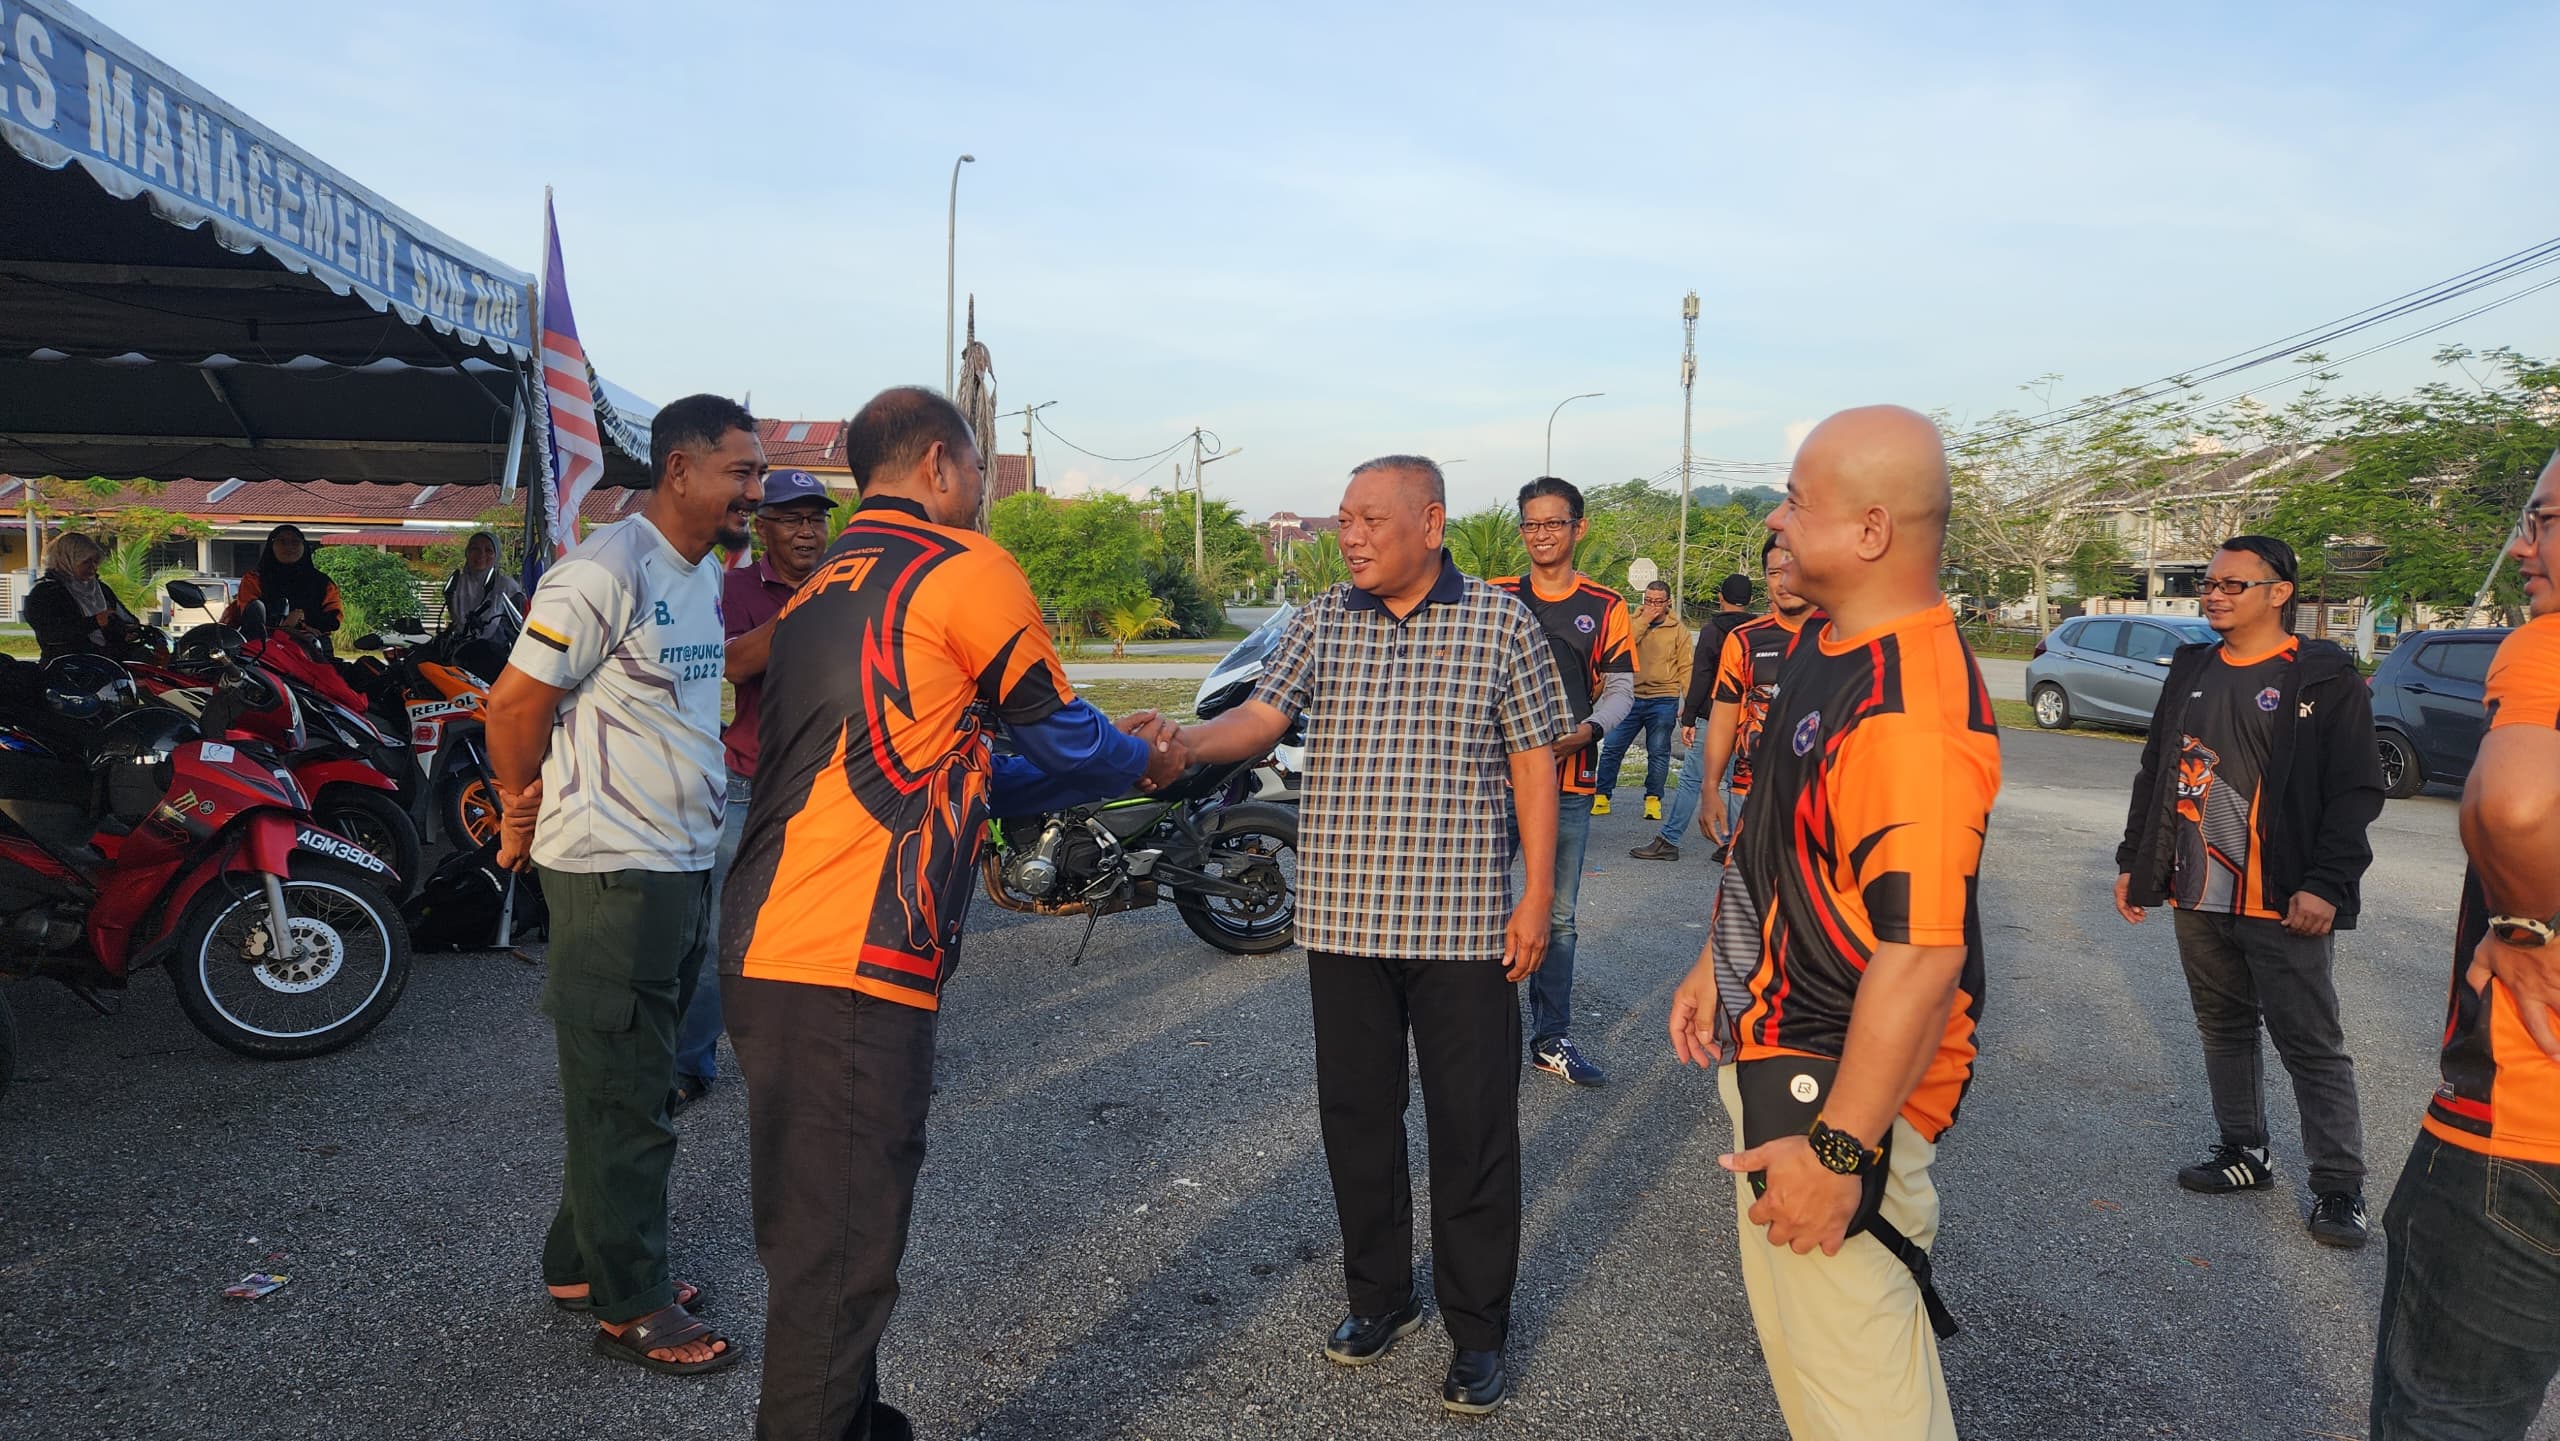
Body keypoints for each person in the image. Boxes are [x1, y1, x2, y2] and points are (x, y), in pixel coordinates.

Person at [720, 388, 1179, 1441]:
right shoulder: (960, 566)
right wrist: (1144, 755)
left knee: (828, 1234)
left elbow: (957, 769)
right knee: (837, 1259)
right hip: (847, 950)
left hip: (769, 944)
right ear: (937, 463)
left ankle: (861, 1423)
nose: (981, 491)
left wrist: (1112, 756)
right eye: (977, 470)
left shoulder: (824, 585)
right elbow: (1061, 739)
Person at [1143, 454, 1571, 1416]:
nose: (1351, 536)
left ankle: (1477, 1330)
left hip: (1465, 924)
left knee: (1473, 1131)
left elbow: (1533, 762)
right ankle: (1381, 1298)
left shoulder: (1500, 621)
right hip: (1344, 919)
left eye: (1370, 519)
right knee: (1358, 1120)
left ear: (1431, 522)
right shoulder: (1322, 619)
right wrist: (1179, 743)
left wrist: (1537, 895)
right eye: (1343, 519)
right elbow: (1259, 719)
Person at [1667, 406, 1999, 1441]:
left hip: (1836, 1083)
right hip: (1780, 1043)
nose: (1776, 519)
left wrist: (1842, 1151)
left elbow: (1922, 953)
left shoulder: (1908, 716)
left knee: (1865, 1404)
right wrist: (1716, 959)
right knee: (1812, 1373)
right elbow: (1778, 833)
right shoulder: (1824, 641)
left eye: (1796, 501)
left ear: (1869, 529)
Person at [483, 393, 766, 1376]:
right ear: (679, 468)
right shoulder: (606, 570)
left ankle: (580, 1264)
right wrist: (517, 804)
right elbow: (514, 704)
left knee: (629, 1080)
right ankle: (631, 1297)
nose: (756, 491)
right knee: (626, 1093)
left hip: (677, 861)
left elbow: (699, 676)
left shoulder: (703, 571)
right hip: (611, 868)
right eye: (741, 472)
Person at [2112, 535, 2382, 1248]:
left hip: (2284, 899)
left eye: (2233, 583)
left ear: (2278, 592)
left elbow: (2356, 790)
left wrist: (2326, 884)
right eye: (2209, 583)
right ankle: (2244, 1150)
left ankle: (2339, 1186)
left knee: (2311, 1043)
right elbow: (2157, 770)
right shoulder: (2193, 667)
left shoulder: (2321, 676)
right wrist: (2136, 861)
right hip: (2199, 892)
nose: (2214, 594)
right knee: (2223, 1027)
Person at [2369, 466, 2560, 1439]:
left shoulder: (2548, 646)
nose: (2522, 545)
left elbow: (2511, 804)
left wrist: (2523, 922)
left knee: (2447, 1418)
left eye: (2544, 521)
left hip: (2525, 1130)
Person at [667, 469, 834, 1114]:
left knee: (825, 933)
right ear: (763, 529)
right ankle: (687, 1062)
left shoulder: (852, 586)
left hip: (835, 788)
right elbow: (732, 664)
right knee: (720, 935)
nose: (807, 531)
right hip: (750, 784)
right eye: (792, 519)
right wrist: (814, 602)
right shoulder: (733, 587)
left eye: (816, 519)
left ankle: (822, 1060)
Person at [1490, 478, 1633, 1089]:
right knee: (1476, 906)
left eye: (1553, 523)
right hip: (1492, 785)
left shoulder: (1605, 605)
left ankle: (1551, 1039)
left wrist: (1587, 732)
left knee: (1559, 915)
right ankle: (1478, 1032)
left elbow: (1622, 690)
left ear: (1579, 527)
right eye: (1531, 524)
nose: (1541, 534)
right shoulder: (1495, 596)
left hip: (1569, 784)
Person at [1695, 538, 1822, 866]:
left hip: (1821, 791)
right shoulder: (1745, 639)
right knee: (1747, 883)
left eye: (1793, 569)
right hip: (1750, 787)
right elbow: (1724, 718)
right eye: (1774, 572)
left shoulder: (1843, 633)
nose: (1784, 581)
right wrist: (1710, 787)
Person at [1634, 572, 1756, 862]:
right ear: (1750, 600)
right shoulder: (1757, 631)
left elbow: (1700, 675)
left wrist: (1689, 716)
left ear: (1720, 598)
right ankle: (1734, 844)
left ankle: (1669, 839)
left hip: (1713, 713)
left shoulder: (1713, 631)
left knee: (1691, 778)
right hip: (1745, 715)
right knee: (1737, 781)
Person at [1592, 579, 1691, 822]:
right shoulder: (1631, 622)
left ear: (1668, 603)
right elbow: (1621, 648)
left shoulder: (1679, 630)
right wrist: (1644, 620)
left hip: (1664, 698)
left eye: (1658, 602)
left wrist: (1689, 703)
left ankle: (1653, 800)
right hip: (1630, 696)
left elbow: (1686, 668)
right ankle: (1602, 796)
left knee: (1658, 751)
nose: (1653, 606)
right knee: (1612, 747)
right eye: (1648, 600)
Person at [23, 531, 152, 661]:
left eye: (95, 561)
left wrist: (129, 630)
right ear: (67, 560)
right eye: (86, 562)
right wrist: (94, 622)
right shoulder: (45, 593)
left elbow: (123, 617)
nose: (93, 567)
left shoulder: (100, 589)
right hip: (68, 664)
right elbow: (51, 633)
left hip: (107, 660)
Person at [222, 523, 343, 637]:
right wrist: (284, 623)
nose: (289, 547)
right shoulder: (254, 579)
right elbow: (250, 615)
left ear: (304, 546)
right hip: (262, 645)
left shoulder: (323, 583)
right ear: (271, 546)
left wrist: (303, 617)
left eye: (295, 542)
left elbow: (334, 620)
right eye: (282, 541)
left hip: (311, 645)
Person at [444, 531, 527, 647]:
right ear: (467, 553)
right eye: (475, 549)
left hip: (498, 652)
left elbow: (519, 626)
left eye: (488, 550)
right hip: (459, 649)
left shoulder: (508, 586)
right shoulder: (457, 583)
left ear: (496, 555)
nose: (481, 555)